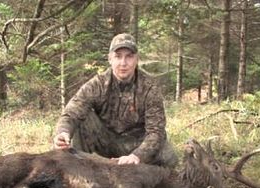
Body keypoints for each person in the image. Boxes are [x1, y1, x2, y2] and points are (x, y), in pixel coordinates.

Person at [53, 33, 178, 168]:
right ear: (110, 59)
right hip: (106, 142)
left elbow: (156, 132)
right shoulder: (97, 84)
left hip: (137, 143)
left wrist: (137, 155)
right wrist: (63, 132)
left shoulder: (149, 87)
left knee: (168, 157)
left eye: (129, 56)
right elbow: (71, 112)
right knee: (82, 119)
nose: (123, 63)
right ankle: (81, 171)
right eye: (118, 56)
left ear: (137, 59)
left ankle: (140, 170)